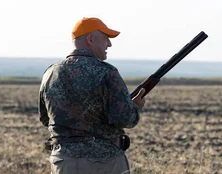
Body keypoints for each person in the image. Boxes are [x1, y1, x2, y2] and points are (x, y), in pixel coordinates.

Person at [38, 17, 146, 174]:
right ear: (90, 39)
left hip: (63, 161)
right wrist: (135, 107)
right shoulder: (107, 72)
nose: (109, 44)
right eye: (105, 39)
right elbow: (123, 118)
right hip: (103, 162)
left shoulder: (50, 73)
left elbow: (45, 118)